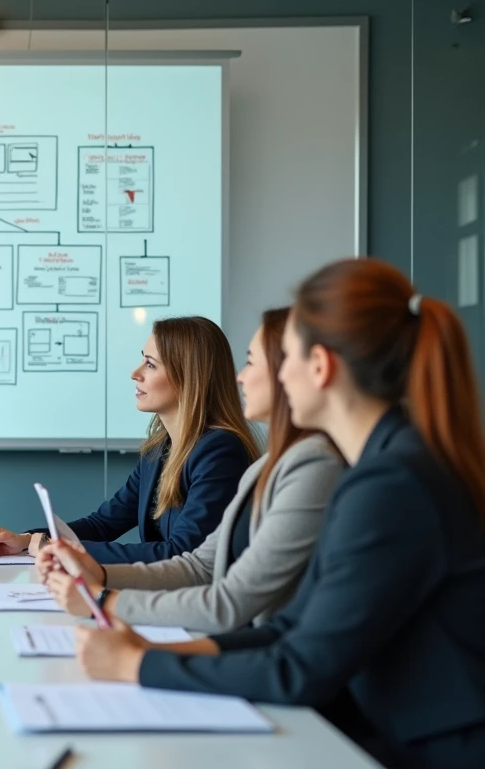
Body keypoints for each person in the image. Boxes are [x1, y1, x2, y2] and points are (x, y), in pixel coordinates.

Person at [74, 259, 485, 769]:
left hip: (423, 748)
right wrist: (146, 648)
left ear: (320, 366)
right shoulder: (381, 465)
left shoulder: (390, 483)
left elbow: (299, 667)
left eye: (281, 355)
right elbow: (291, 627)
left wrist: (140, 666)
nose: (257, 374)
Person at [42, 308, 344, 632]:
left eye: (252, 362)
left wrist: (103, 598)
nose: (240, 376)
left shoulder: (261, 457)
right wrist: (45, 543)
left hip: (229, 639)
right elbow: (198, 566)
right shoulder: (260, 466)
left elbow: (219, 593)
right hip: (208, 627)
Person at [0, 316, 259, 563]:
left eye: (150, 365)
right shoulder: (159, 449)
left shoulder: (220, 451)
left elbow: (182, 553)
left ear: (189, 377)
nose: (135, 374)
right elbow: (103, 524)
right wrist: (27, 539)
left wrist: (57, 548)